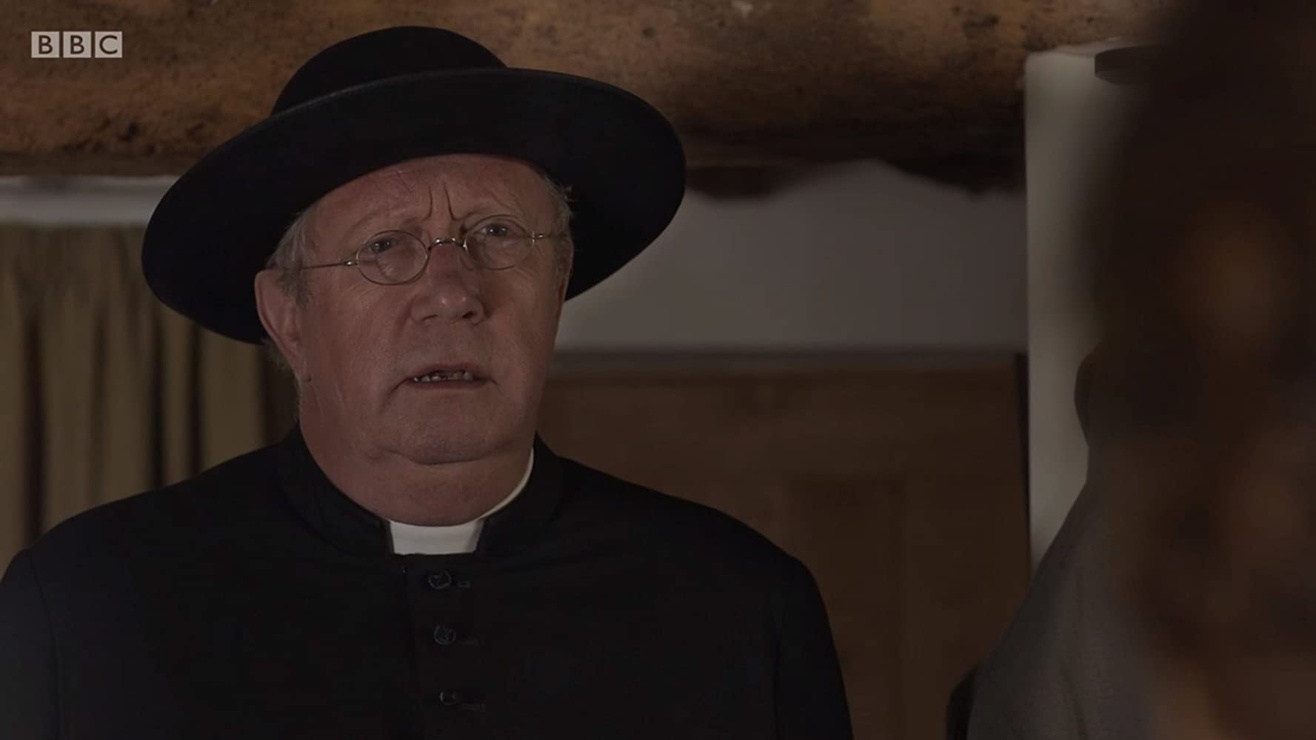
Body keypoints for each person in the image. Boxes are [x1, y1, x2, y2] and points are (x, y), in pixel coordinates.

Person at [0, 27, 852, 739]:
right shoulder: (82, 605)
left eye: (497, 234)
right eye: (383, 247)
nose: (453, 292)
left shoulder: (744, 604)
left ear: (557, 284)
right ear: (289, 316)